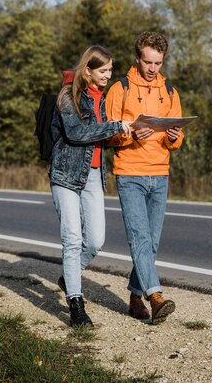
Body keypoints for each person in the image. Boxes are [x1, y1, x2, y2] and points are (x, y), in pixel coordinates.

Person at [50, 45, 132, 327]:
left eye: (110, 69)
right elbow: (75, 133)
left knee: (96, 240)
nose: (108, 75)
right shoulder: (68, 95)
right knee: (72, 239)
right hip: (65, 175)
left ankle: (68, 275)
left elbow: (102, 137)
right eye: (103, 70)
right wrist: (113, 126)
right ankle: (76, 303)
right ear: (87, 69)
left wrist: (128, 131)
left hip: (94, 175)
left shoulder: (103, 99)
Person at [106, 31, 184, 325]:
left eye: (158, 63)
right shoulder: (120, 89)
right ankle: (155, 295)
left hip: (160, 173)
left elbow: (176, 136)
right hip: (130, 174)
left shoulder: (171, 91)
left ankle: (135, 295)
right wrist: (129, 135)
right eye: (148, 62)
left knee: (150, 242)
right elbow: (109, 134)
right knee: (139, 237)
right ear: (137, 58)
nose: (153, 69)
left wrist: (175, 136)